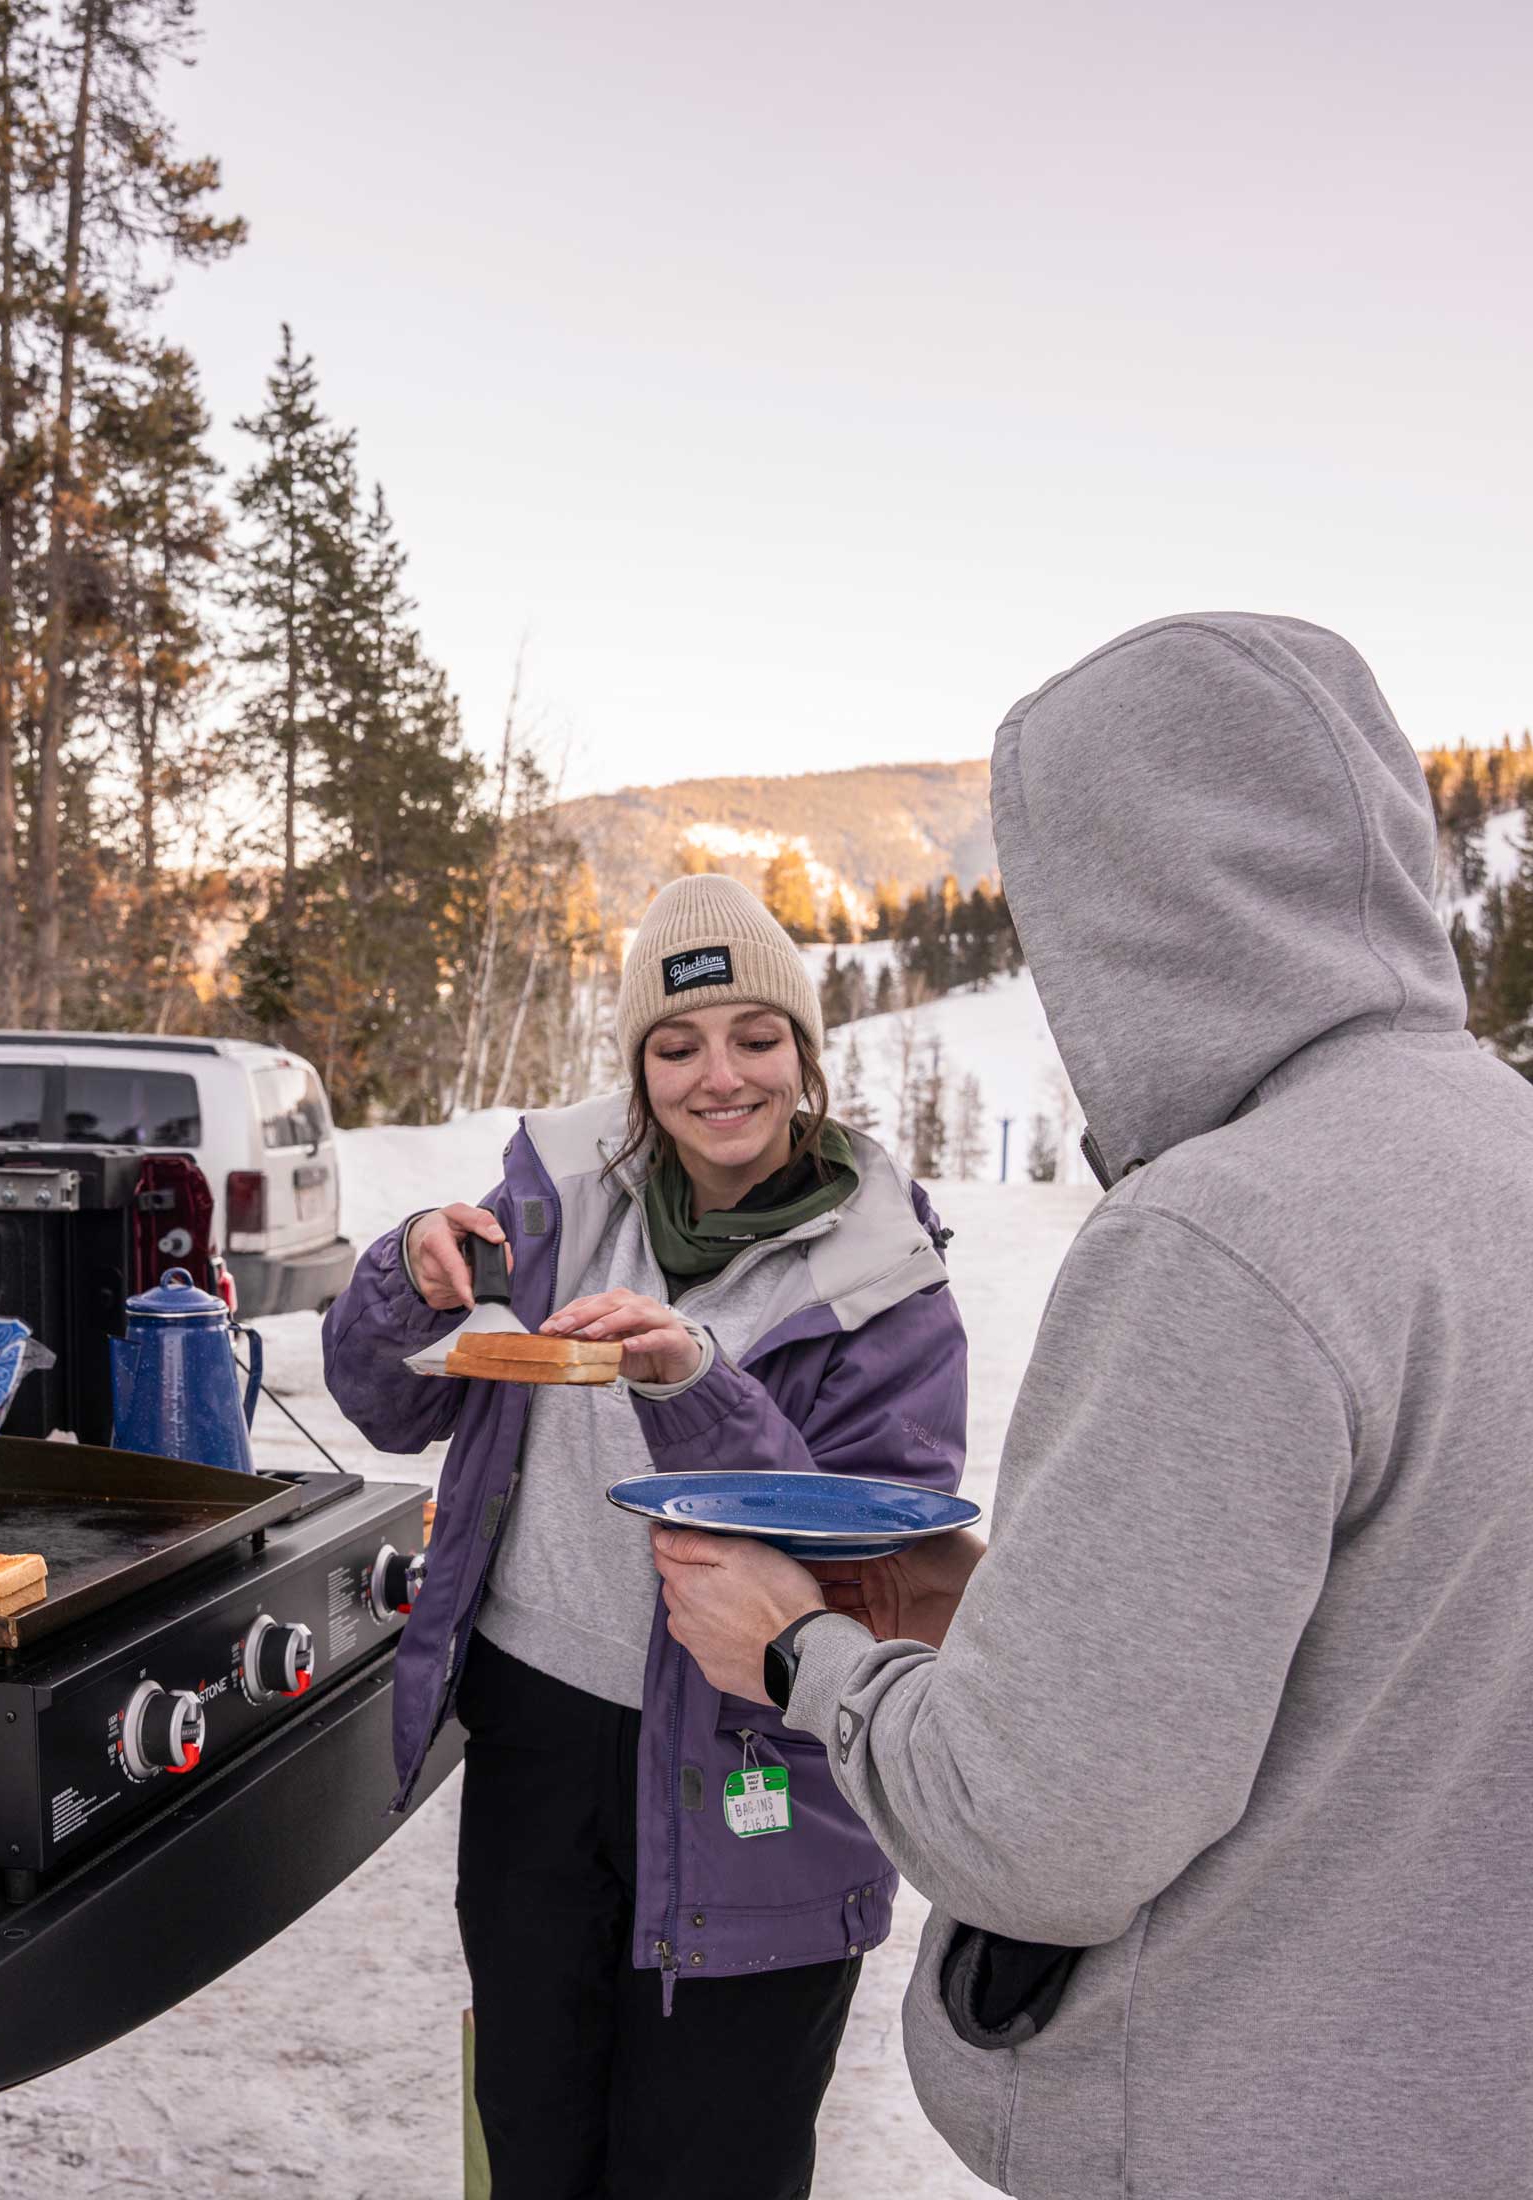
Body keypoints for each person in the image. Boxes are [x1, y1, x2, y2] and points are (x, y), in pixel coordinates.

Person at [651, 613, 1533, 2200]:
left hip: (1244, 2122)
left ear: (1128, 910)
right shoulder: (1496, 1157)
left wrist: (801, 1654)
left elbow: (1042, 1834)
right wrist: (1016, 1626)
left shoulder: (1226, 1233)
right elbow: (1391, 1640)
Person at [321, 872, 968, 2200]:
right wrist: (406, 1274)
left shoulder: (883, 1286)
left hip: (758, 1769)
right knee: (537, 2134)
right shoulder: (557, 1205)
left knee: (706, 2162)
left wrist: (688, 1384)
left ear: (804, 1055)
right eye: (674, 1046)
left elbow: (872, 1562)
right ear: (637, 1068)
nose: (716, 1076)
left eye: (753, 1037)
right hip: (538, 1743)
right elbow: (389, 1409)